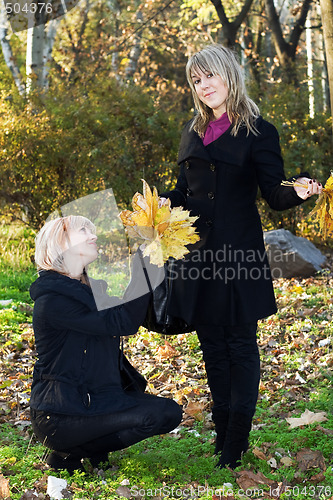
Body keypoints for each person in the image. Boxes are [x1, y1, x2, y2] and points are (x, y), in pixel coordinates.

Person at [160, 44, 322, 469]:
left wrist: (298, 191)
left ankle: (236, 443)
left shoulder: (259, 131)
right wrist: (150, 204)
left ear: (229, 75)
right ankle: (222, 434)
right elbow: (183, 194)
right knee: (212, 347)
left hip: (238, 256)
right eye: (196, 80)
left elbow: (273, 193)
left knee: (241, 347)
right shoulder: (192, 131)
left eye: (209, 75)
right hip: (197, 258)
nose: (204, 85)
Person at [29, 215, 182, 473]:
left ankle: (89, 447)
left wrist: (154, 259)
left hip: (93, 399)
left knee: (168, 413)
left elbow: (133, 313)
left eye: (93, 230)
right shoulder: (53, 301)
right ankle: (68, 451)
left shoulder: (90, 290)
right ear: (60, 243)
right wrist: (143, 262)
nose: (94, 236)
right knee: (154, 415)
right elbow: (122, 321)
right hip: (59, 413)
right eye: (84, 231)